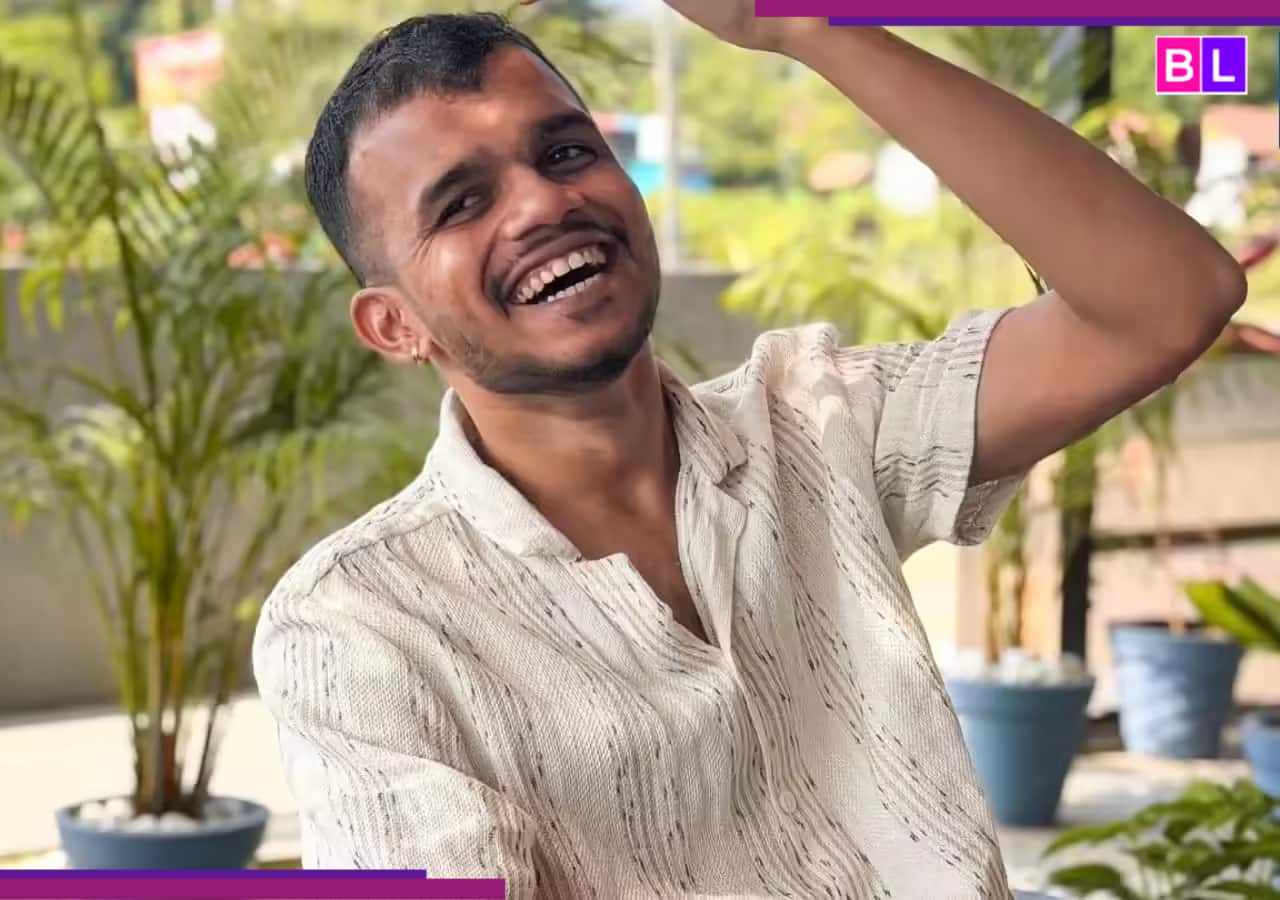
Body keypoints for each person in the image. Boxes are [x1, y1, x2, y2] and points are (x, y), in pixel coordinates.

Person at [252, 4, 1246, 897]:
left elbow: (1169, 303)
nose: (542, 205)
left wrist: (803, 25)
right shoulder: (358, 623)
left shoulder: (815, 422)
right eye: (460, 204)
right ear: (393, 325)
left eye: (564, 152)